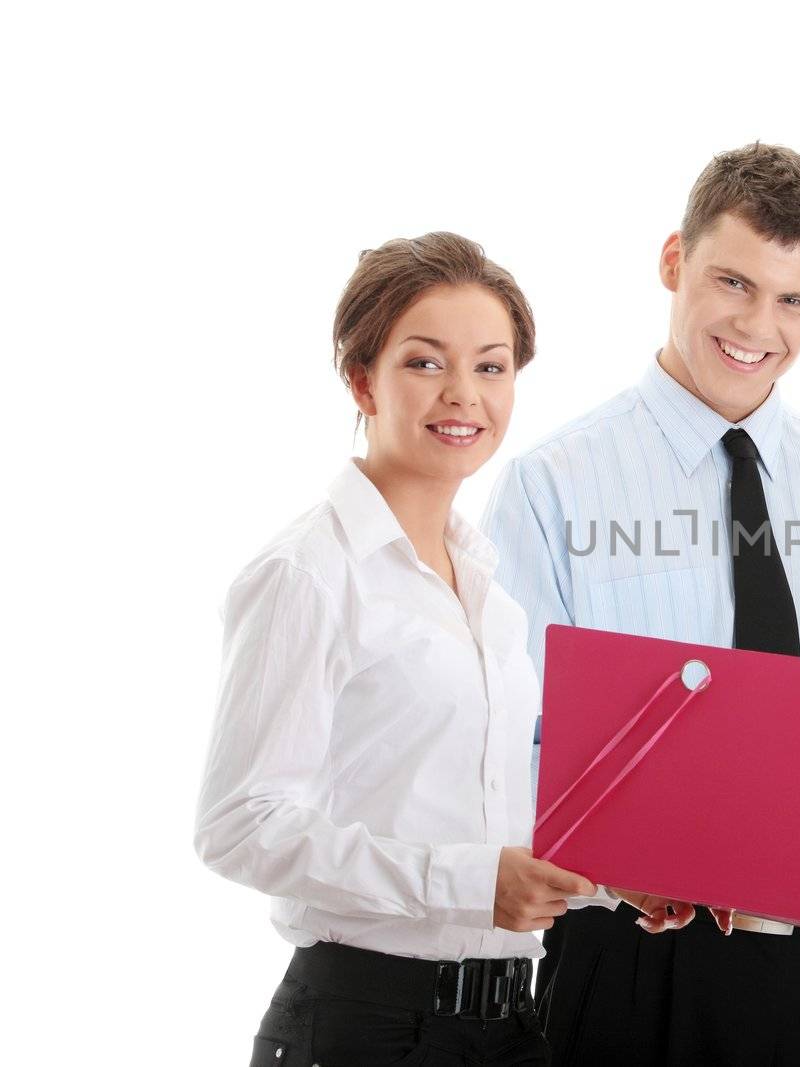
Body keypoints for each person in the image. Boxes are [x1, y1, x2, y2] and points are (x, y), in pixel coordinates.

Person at [482, 142, 800, 1065]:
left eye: (795, 299)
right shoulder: (554, 483)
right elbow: (512, 747)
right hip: (636, 948)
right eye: (734, 283)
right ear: (673, 263)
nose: (761, 324)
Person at [194, 232, 603, 1066]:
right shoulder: (309, 572)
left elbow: (473, 809)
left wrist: (611, 883)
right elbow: (239, 826)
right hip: (367, 1026)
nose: (464, 394)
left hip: (511, 1025)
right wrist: (467, 880)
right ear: (362, 380)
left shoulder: (487, 582)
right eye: (426, 362)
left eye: (491, 367)